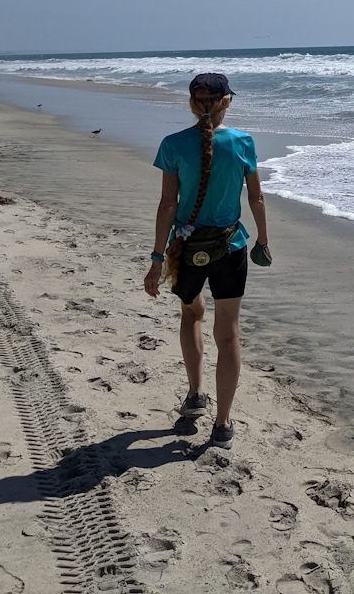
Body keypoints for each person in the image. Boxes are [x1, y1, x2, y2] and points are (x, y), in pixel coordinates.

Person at [144, 72, 271, 447]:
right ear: (226, 101)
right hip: (230, 246)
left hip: (186, 248)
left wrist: (155, 258)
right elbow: (256, 199)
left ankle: (196, 393)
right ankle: (223, 423)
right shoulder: (242, 142)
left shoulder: (172, 144)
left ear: (191, 103)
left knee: (191, 314)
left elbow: (168, 204)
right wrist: (263, 238)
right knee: (228, 333)